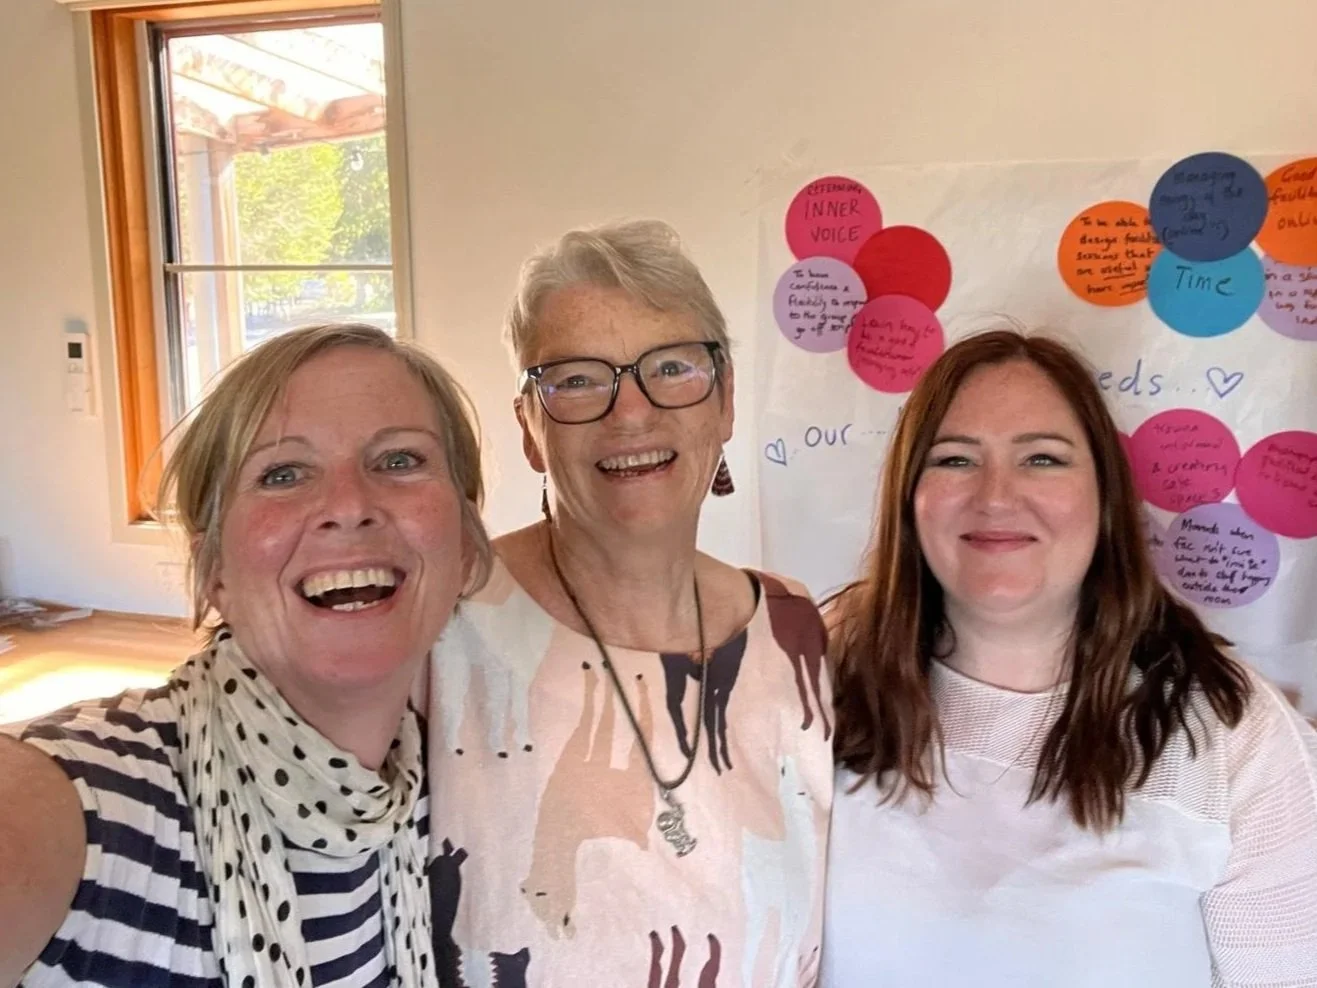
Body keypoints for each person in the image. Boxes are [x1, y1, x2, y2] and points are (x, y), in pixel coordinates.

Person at [821, 328, 1317, 986]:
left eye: (1042, 460)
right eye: (954, 460)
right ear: (908, 497)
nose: (995, 496)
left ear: (1104, 498)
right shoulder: (816, 673)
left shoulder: (1231, 731)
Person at [0, 323, 490, 988]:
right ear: (215, 570)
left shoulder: (457, 799)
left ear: (465, 538)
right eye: (282, 473)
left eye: (399, 460)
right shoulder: (70, 807)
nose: (348, 506)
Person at [426, 220, 833, 986]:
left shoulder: (796, 631)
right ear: (529, 429)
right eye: (577, 379)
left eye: (672, 366)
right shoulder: (441, 623)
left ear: (725, 402)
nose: (631, 412)